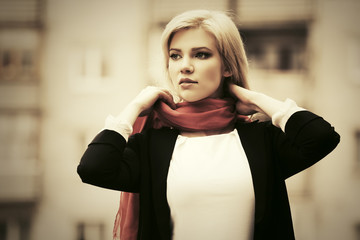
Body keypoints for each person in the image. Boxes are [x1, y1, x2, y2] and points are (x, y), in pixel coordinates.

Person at [77, 9, 340, 240]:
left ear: (227, 66)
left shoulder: (261, 140)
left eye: (201, 55)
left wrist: (253, 97)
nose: (185, 67)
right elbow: (93, 168)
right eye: (175, 56)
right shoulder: (152, 145)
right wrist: (133, 108)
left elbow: (321, 137)